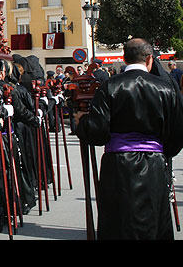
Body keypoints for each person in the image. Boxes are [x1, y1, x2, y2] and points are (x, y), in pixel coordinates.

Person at [75, 38, 183, 240]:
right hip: (153, 164)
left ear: (124, 58)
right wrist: (162, 152)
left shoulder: (109, 86)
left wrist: (82, 123)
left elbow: (98, 131)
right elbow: (177, 133)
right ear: (150, 59)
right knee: (154, 222)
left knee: (118, 222)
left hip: (118, 166)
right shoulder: (165, 88)